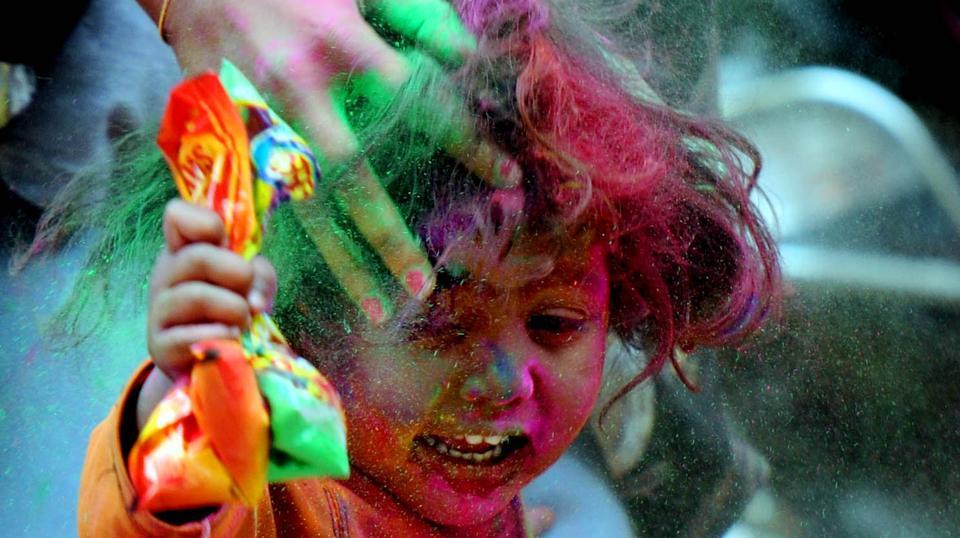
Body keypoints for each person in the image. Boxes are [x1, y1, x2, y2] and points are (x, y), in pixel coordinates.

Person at [65, 0, 780, 535]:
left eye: (556, 323)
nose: (506, 381)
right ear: (297, 327)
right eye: (436, 326)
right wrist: (193, 388)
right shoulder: (284, 492)